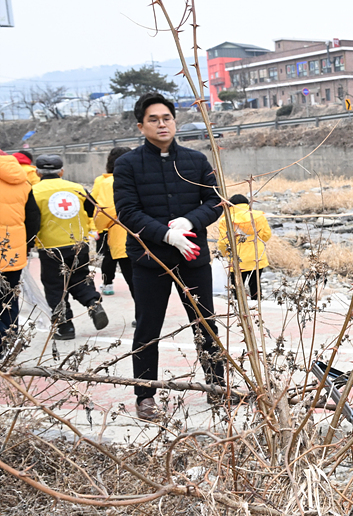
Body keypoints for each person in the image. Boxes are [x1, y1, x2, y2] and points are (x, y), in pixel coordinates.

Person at [113, 93, 225, 422]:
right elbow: (128, 212)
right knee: (148, 327)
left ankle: (218, 386)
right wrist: (166, 234)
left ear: (175, 121)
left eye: (167, 118)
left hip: (193, 257)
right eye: (153, 119)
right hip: (151, 260)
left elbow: (215, 202)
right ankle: (145, 396)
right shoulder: (128, 164)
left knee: (205, 324)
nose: (162, 124)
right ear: (141, 125)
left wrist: (191, 221)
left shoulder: (196, 160)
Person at [31, 154, 108, 341]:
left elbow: (32, 220)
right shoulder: (77, 188)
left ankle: (65, 328)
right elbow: (93, 210)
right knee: (79, 279)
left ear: (37, 172)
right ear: (62, 172)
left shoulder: (33, 191)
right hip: (78, 245)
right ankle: (92, 301)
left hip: (50, 248)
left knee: (55, 287)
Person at [0, 151, 40, 345]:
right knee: (9, 298)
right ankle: (9, 340)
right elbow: (33, 217)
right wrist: (27, 245)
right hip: (14, 252)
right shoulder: (22, 181)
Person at [91, 146, 134, 297]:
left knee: (108, 256)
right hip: (143, 231)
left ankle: (107, 282)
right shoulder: (141, 176)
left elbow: (99, 206)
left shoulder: (104, 182)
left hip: (115, 229)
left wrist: (96, 226)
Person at [216, 193, 272, 301]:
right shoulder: (258, 216)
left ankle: (241, 311)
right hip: (256, 257)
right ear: (247, 204)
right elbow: (266, 235)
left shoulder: (226, 220)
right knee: (255, 286)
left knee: (237, 288)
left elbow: (223, 242)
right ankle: (256, 311)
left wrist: (224, 254)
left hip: (236, 259)